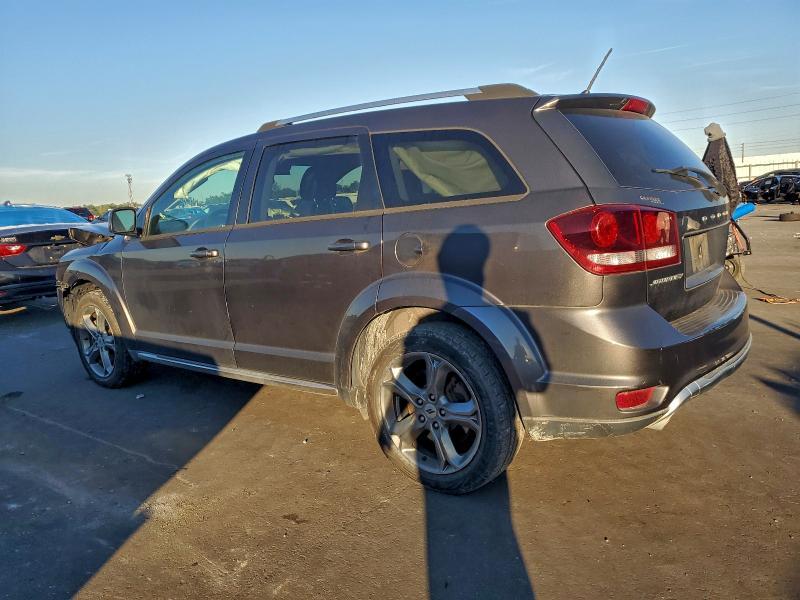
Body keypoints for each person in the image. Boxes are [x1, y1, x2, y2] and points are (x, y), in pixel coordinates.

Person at [702, 122, 741, 211]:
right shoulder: (720, 145)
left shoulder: (715, 148)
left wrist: (718, 191)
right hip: (729, 195)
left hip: (724, 196)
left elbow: (719, 172)